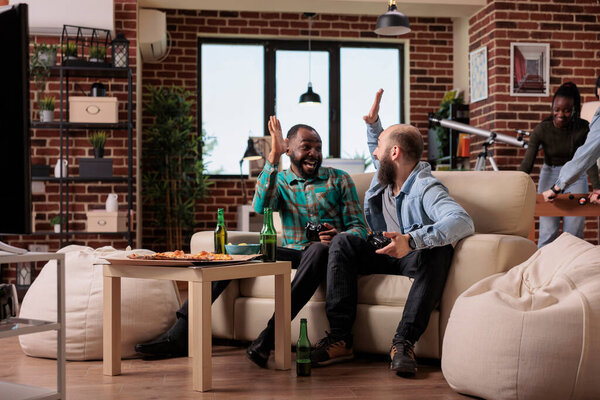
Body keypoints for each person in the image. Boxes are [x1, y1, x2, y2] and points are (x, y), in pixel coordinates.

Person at [135, 116, 369, 364]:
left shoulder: (340, 179)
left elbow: (359, 228)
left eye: (318, 147)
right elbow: (260, 206)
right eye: (307, 147)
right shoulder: (280, 181)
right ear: (289, 149)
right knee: (231, 252)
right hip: (296, 253)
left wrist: (339, 236)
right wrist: (273, 158)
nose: (314, 153)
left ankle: (267, 338)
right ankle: (181, 332)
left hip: (330, 254)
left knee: (319, 251)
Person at [308, 89, 474, 375]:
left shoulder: (426, 187)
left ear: (394, 153)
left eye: (379, 146)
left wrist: (412, 240)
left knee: (440, 250)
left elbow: (462, 221)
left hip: (412, 254)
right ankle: (341, 338)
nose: (373, 152)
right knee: (345, 241)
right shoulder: (387, 174)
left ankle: (404, 341)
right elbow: (381, 146)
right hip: (383, 250)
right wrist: (373, 125)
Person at [518, 82, 600, 247]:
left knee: (574, 234)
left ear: (575, 110)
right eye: (556, 110)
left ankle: (569, 270)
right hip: (550, 174)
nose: (560, 114)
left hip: (577, 176)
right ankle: (544, 270)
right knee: (548, 232)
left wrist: (597, 187)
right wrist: (515, 188)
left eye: (566, 110)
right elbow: (526, 165)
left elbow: (587, 159)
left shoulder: (583, 128)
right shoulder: (542, 130)